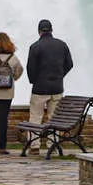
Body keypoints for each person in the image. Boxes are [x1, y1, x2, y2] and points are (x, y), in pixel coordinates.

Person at [25, 19, 73, 155]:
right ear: (51, 30)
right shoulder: (62, 45)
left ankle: (34, 146)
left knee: (35, 117)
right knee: (54, 118)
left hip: (40, 88)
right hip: (57, 88)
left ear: (39, 31)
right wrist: (59, 76)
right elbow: (69, 64)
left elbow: (31, 68)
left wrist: (34, 80)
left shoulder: (35, 46)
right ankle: (52, 144)